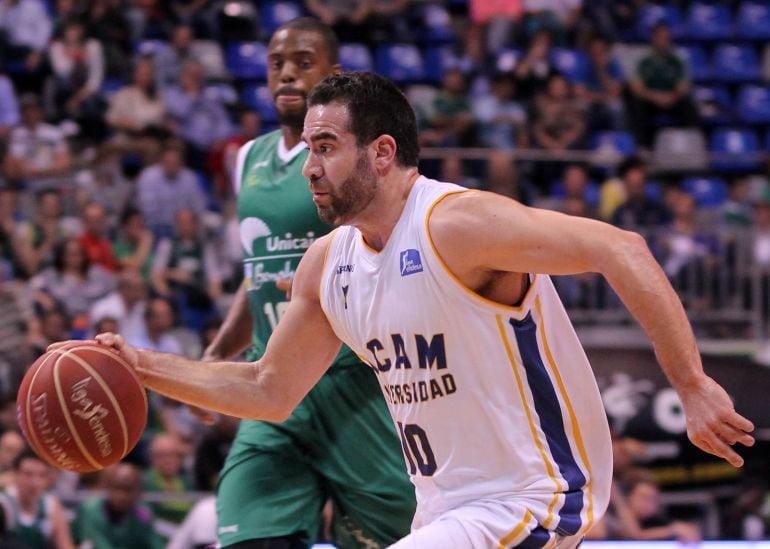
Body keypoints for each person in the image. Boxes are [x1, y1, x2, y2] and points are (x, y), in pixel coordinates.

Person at [80, 70, 755, 547]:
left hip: (530, 497)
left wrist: (691, 383)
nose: (308, 167)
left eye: (325, 148)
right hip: (441, 513)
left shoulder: (457, 224)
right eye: (307, 148)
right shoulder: (329, 263)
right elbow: (268, 387)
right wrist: (139, 364)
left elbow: (623, 248)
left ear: (382, 152)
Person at [201, 17, 415, 548]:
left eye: (303, 62)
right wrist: (218, 352)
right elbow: (259, 271)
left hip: (356, 386)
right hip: (274, 386)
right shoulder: (247, 158)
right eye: (277, 64)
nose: (287, 75)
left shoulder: (359, 162)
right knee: (249, 532)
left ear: (333, 74)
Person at [72, 462, 165, 549]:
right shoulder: (90, 510)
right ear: (107, 487)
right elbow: (98, 545)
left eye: (128, 489)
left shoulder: (143, 515)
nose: (121, 496)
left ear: (139, 492)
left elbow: (155, 545)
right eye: (117, 488)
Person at [0, 449, 75, 549]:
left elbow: (65, 546)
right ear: (15, 474)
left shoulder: (52, 505)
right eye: (28, 474)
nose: (35, 482)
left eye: (41, 475)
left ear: (49, 478)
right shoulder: (3, 504)